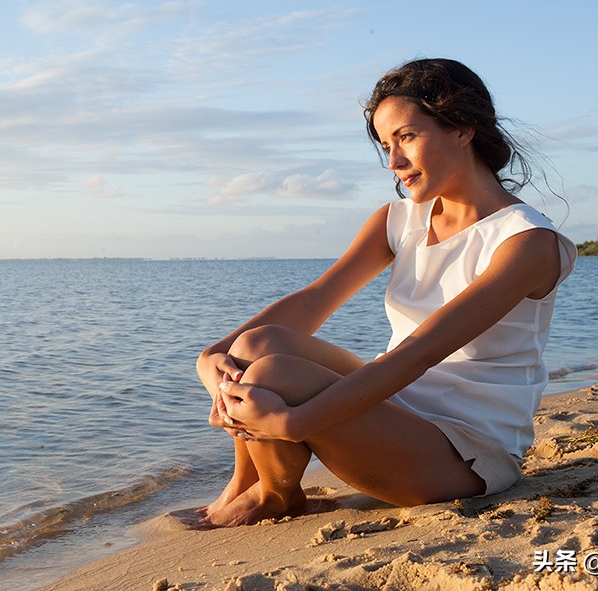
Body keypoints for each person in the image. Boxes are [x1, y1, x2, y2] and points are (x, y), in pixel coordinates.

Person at [195, 58, 577, 527]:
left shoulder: (526, 241)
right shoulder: (398, 220)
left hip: (464, 450)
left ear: (463, 129)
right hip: (393, 406)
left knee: (275, 372)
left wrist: (294, 423)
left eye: (407, 137)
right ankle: (250, 484)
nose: (394, 162)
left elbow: (419, 352)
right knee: (256, 345)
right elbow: (314, 300)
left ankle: (274, 496)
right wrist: (213, 357)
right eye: (386, 145)